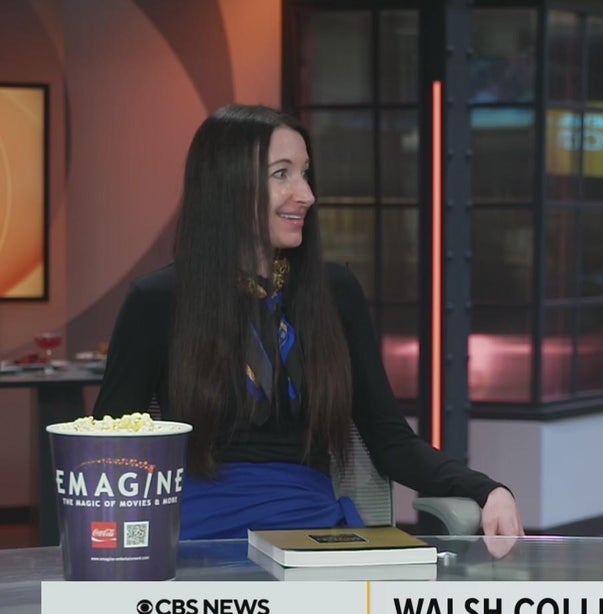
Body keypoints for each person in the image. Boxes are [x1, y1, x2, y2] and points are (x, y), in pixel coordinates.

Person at [93, 104, 524, 540]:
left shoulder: (335, 292)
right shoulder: (157, 300)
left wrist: (486, 490)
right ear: (227, 185)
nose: (306, 195)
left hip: (309, 527)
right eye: (282, 174)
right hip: (196, 533)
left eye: (305, 173)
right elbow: (106, 455)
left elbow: (390, 440)